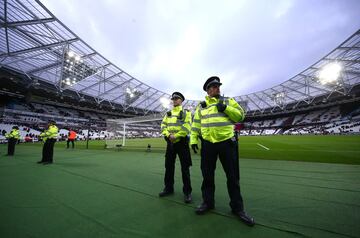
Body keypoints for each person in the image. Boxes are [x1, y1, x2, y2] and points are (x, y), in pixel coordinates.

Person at [190, 76, 255, 226]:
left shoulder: (228, 101)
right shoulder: (201, 106)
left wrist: (225, 108)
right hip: (208, 144)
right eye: (213, 86)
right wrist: (193, 140)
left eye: (218, 86)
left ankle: (237, 208)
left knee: (233, 177)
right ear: (208, 90)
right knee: (207, 176)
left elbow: (240, 116)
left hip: (227, 143)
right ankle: (208, 202)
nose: (217, 88)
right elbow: (195, 125)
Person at [159, 92, 193, 203]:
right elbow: (163, 125)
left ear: (181, 100)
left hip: (182, 143)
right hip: (170, 143)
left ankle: (187, 192)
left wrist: (176, 136)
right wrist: (168, 135)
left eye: (177, 98)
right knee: (168, 166)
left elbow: (187, 126)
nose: (174, 100)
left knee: (185, 168)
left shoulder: (186, 112)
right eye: (173, 99)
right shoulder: (168, 113)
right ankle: (168, 188)